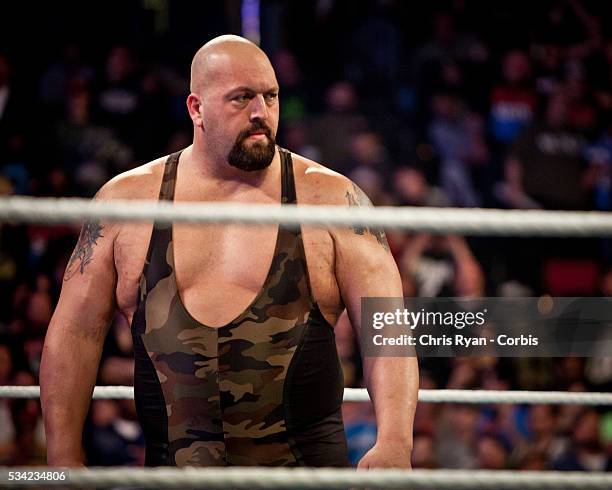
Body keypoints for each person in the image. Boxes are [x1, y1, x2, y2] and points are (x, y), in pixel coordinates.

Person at [40, 35, 418, 468]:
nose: (261, 113)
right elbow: (75, 333)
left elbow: (387, 328)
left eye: (270, 96)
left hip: (304, 477)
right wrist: (61, 454)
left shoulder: (330, 199)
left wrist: (394, 440)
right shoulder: (127, 204)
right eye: (241, 98)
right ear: (196, 109)